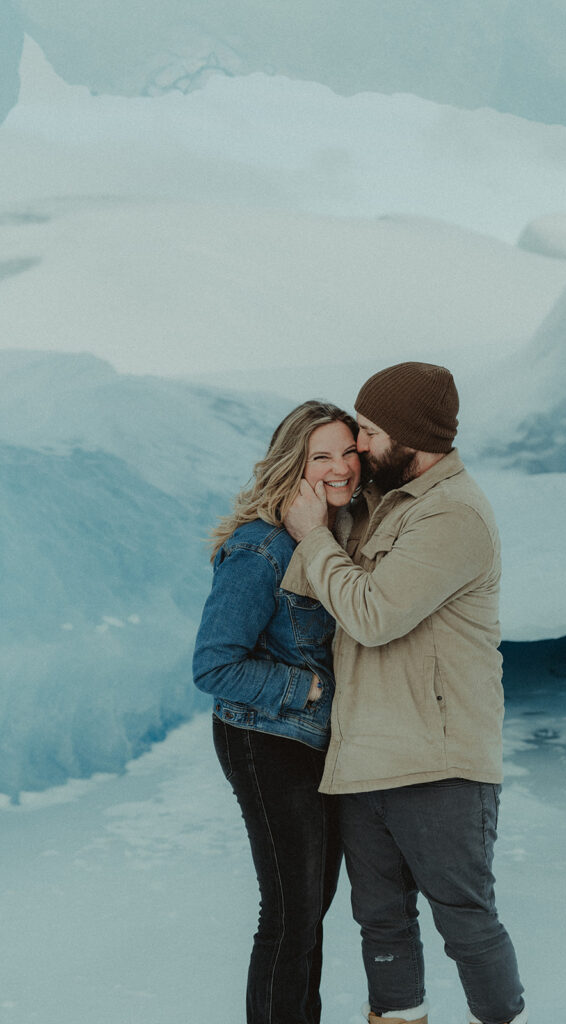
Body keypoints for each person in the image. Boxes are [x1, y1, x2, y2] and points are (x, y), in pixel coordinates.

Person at [282, 363, 527, 1024]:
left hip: (438, 762)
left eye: (367, 430)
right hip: (364, 758)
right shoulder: (384, 503)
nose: (358, 445)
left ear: (411, 437)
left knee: (465, 924)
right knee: (381, 926)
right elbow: (316, 592)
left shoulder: (454, 516)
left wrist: (312, 539)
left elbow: (371, 615)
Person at [192, 400, 362, 1024]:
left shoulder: (336, 535)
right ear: (294, 463)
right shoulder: (259, 549)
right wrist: (312, 690)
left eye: (349, 452)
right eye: (322, 456)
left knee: (310, 909)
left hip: (314, 744)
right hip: (265, 740)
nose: (341, 467)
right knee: (290, 913)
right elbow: (213, 665)